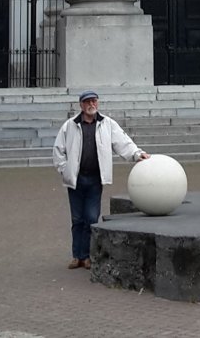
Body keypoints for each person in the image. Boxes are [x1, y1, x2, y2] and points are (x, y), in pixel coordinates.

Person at [53, 90, 151, 270]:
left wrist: (137, 154)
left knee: (91, 217)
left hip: (95, 179)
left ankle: (87, 256)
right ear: (81, 105)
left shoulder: (107, 124)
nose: (92, 105)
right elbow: (58, 150)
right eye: (88, 102)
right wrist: (64, 169)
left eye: (94, 101)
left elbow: (123, 142)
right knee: (77, 219)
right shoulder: (70, 125)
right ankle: (77, 256)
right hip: (75, 179)